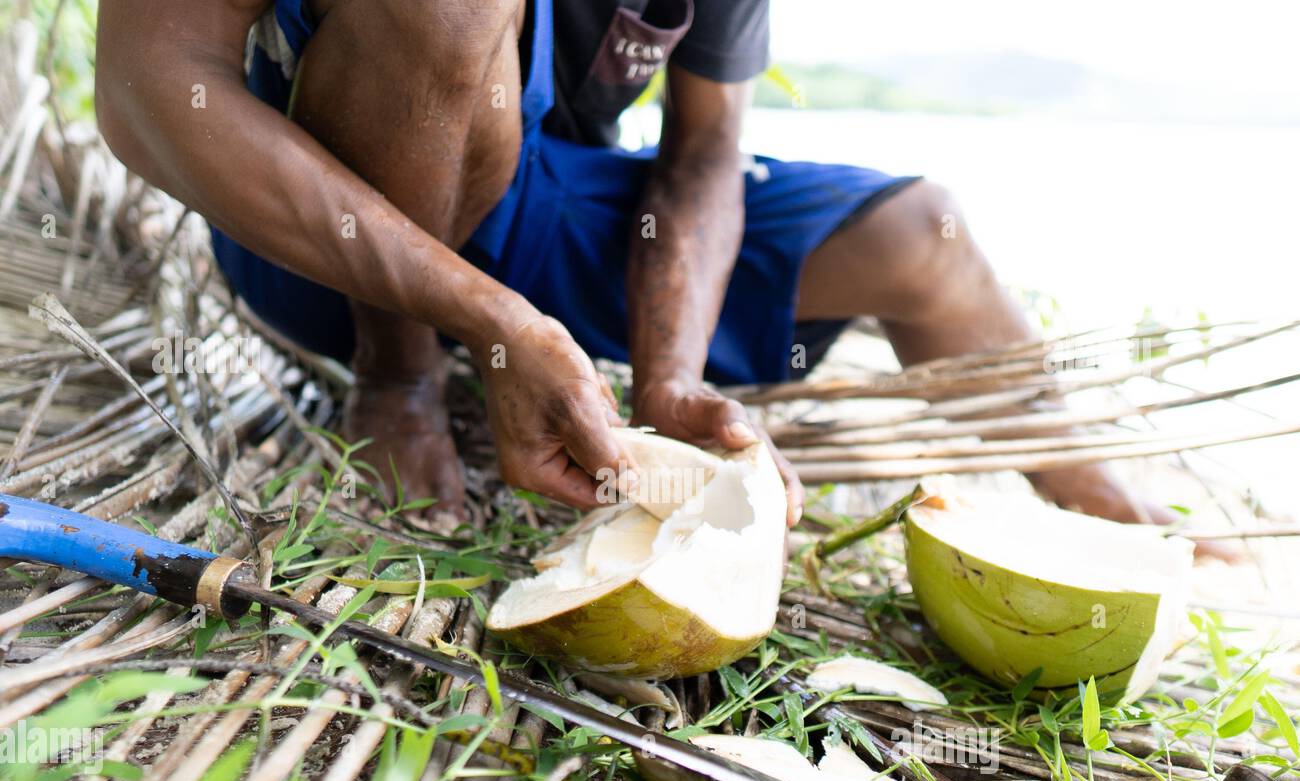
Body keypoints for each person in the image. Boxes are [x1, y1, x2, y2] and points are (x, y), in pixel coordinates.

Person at [95, 0, 1170, 531]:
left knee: (922, 231)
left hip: (536, 193)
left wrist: (669, 373)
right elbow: (151, 81)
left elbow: (700, 155)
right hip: (315, 216)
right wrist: (468, 327)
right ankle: (402, 371)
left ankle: (1101, 508)